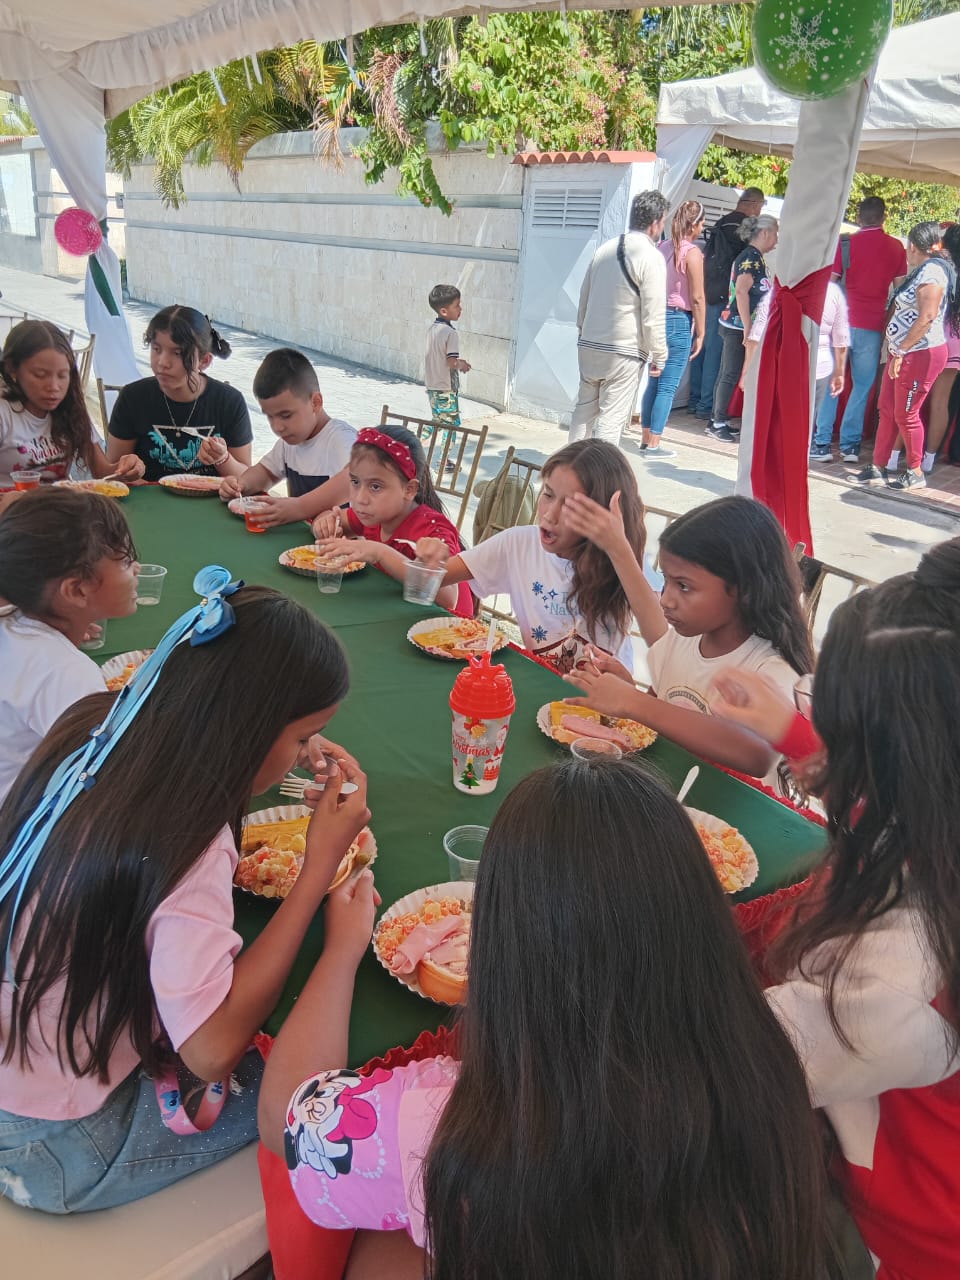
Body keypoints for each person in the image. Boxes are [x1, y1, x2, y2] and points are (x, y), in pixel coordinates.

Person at [258, 758, 832, 1280]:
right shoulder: (765, 1069)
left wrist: (341, 952)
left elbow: (286, 1121)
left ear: (502, 946)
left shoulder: (444, 1121)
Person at [0, 577, 370, 1213]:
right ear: (248, 730)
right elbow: (210, 1050)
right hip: (58, 1144)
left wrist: (292, 741)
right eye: (302, 737)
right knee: (317, 1088)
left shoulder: (96, 723)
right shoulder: (187, 837)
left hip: (20, 1060)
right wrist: (317, 873)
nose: (307, 753)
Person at [716, 536, 960, 1280]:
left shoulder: (892, 980)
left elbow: (728, 1062)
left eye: (839, 724)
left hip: (900, 1240)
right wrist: (792, 733)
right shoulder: (930, 823)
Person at [563, 495, 813, 793]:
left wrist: (633, 702)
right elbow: (663, 708)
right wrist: (627, 691)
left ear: (743, 589)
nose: (666, 599)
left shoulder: (770, 667)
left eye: (684, 586)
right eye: (666, 581)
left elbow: (757, 754)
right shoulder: (681, 642)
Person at [415, 439, 648, 674]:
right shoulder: (519, 544)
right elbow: (428, 580)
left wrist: (620, 552)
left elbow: (662, 641)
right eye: (548, 494)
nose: (550, 515)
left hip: (608, 691)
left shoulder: (624, 559)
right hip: (544, 683)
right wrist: (429, 559)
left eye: (571, 507)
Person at [0, 488, 140, 804]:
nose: (137, 569)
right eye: (125, 561)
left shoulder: (14, 624)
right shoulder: (66, 674)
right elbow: (108, 776)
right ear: (76, 591)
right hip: (19, 823)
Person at [311, 425, 472, 618]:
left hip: (449, 628)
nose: (360, 498)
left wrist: (380, 553)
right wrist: (325, 524)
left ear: (409, 490)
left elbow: (448, 598)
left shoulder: (432, 530)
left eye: (375, 487)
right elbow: (332, 519)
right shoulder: (376, 514)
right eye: (355, 482)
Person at [851, 222, 954, 492]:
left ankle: (915, 471)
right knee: (886, 408)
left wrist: (901, 349)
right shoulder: (923, 270)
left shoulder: (932, 272)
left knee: (906, 414)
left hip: (919, 353)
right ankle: (878, 466)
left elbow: (927, 316)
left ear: (912, 246)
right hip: (905, 351)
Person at [568, 191, 669, 447]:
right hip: (624, 350)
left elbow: (584, 298)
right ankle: (600, 470)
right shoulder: (651, 257)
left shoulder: (604, 249)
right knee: (610, 420)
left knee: (583, 413)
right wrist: (660, 354)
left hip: (590, 345)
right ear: (655, 222)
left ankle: (568, 463)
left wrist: (583, 332)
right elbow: (653, 314)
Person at [107, 305, 252, 482]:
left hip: (212, 498)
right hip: (148, 497)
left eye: (178, 353)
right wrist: (127, 470)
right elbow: (112, 473)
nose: (163, 362)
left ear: (204, 361)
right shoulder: (133, 398)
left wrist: (223, 459)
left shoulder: (230, 402)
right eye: (156, 349)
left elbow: (247, 479)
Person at [218, 348, 355, 526]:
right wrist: (240, 485)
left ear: (315, 402)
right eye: (270, 416)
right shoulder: (288, 443)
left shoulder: (342, 439)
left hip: (341, 540)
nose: (277, 427)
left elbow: (353, 479)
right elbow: (265, 473)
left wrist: (300, 507)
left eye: (286, 415)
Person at [0, 321, 144, 489]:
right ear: (12, 369)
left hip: (59, 503)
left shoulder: (72, 409)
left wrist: (127, 467)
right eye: (40, 375)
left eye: (62, 375)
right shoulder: (4, 415)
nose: (54, 386)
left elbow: (102, 473)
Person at [830, 197, 908, 464]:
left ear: (858, 217)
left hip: (840, 321)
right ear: (884, 218)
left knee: (831, 381)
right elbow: (901, 292)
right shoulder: (896, 248)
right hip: (872, 325)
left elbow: (831, 285)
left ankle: (821, 441)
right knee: (863, 385)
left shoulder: (845, 243)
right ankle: (850, 446)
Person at [630, 200, 707, 458]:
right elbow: (697, 297)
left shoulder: (662, 247)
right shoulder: (692, 253)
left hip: (658, 316)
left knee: (654, 381)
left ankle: (645, 438)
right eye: (702, 223)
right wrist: (701, 332)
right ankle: (654, 444)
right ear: (694, 225)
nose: (702, 228)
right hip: (678, 319)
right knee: (667, 386)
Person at [742, 282, 850, 457]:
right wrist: (839, 370)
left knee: (780, 420)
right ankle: (800, 457)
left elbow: (756, 336)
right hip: (820, 365)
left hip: (785, 364)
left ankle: (780, 459)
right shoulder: (833, 291)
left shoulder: (780, 289)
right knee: (806, 420)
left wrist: (748, 370)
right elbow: (841, 336)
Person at [688, 187, 766, 419]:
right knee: (716, 353)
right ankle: (706, 405)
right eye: (761, 207)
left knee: (701, 348)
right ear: (754, 204)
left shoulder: (722, 222)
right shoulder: (744, 228)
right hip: (726, 296)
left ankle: (694, 400)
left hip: (708, 291)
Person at [707, 215, 779, 442]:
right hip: (738, 325)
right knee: (730, 373)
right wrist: (748, 326)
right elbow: (741, 291)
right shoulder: (750, 258)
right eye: (775, 233)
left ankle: (718, 417)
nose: (777, 240)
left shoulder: (755, 257)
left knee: (728, 372)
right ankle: (717, 422)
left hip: (739, 323)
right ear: (764, 233)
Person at [922, 222, 960, 473]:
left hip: (935, 336)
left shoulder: (941, 268)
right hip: (956, 340)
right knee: (941, 401)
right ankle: (929, 457)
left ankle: (905, 453)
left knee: (916, 397)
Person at [424, 285, 470, 437]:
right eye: (456, 305)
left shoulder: (432, 329)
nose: (460, 309)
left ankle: (414, 443)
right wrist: (462, 364)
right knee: (451, 425)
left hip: (432, 385)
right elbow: (452, 362)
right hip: (446, 387)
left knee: (437, 421)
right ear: (444, 311)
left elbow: (439, 356)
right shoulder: (451, 333)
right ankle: (446, 453)